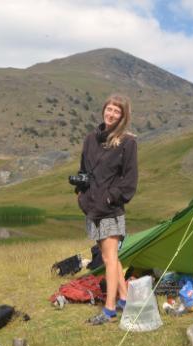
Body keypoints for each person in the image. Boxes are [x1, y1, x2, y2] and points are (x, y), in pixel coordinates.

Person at [75, 94, 138, 325]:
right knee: (107, 256)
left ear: (123, 117)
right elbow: (83, 170)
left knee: (110, 258)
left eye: (116, 112)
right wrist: (80, 194)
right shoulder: (91, 139)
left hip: (110, 209)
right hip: (91, 207)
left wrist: (110, 199)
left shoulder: (127, 143)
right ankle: (124, 298)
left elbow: (130, 180)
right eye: (109, 109)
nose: (111, 114)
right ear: (104, 110)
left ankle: (109, 310)